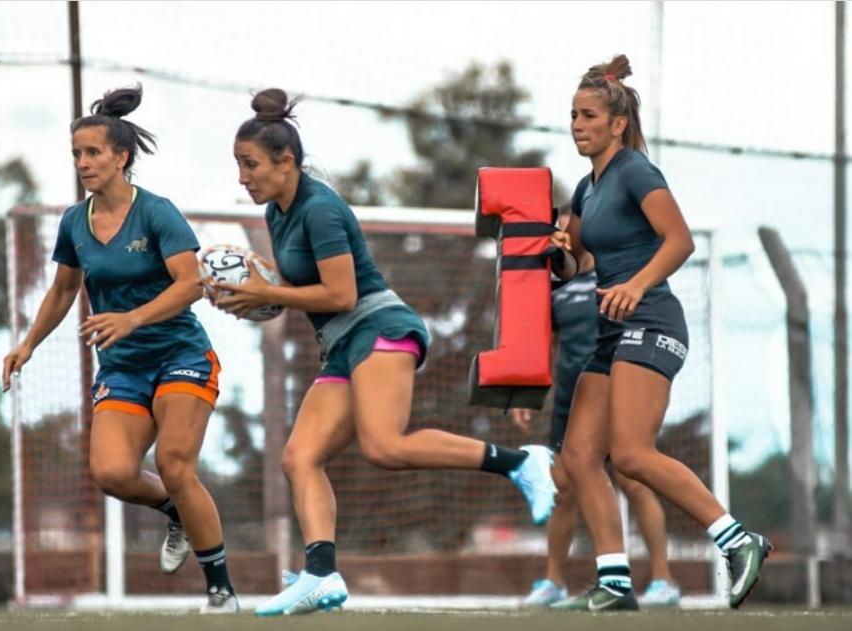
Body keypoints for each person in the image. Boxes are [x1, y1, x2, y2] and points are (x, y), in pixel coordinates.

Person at [209, 88, 556, 617]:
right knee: (300, 457)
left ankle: (520, 462)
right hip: (343, 344)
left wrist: (267, 293)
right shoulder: (279, 213)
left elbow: (342, 294)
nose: (242, 176)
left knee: (385, 446)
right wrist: (254, 295)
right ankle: (321, 574)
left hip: (380, 328)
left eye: (250, 164)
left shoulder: (320, 209)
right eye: (238, 164)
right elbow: (298, 286)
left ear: (287, 162)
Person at [1, 86, 239, 614]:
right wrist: (28, 344)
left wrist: (131, 318)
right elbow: (64, 290)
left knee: (175, 462)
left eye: (93, 153)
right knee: (111, 473)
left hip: (180, 354)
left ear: (121, 156)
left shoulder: (157, 213)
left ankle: (220, 588)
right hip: (124, 368)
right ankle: (175, 512)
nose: (83, 163)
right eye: (76, 154)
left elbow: (191, 283)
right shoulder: (74, 222)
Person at [546, 55, 771, 611]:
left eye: (588, 115)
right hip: (610, 330)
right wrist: (559, 255)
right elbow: (574, 264)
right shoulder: (586, 188)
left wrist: (637, 285)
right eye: (573, 114)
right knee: (577, 457)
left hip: (650, 320)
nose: (577, 124)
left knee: (630, 454)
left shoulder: (636, 172)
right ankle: (616, 582)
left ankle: (739, 540)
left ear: (617, 124)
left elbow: (679, 241)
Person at [513, 210, 681, 608]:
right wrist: (526, 394)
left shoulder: (613, 276)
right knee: (563, 485)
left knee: (632, 476)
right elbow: (545, 345)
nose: (566, 233)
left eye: (573, 226)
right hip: (572, 397)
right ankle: (553, 581)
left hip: (616, 386)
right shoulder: (557, 286)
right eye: (561, 228)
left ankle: (663, 580)